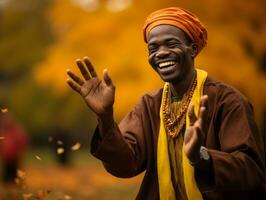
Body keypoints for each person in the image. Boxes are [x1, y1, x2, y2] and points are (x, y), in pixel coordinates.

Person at [66, 7, 265, 200]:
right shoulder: (149, 105)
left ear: (193, 49)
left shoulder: (228, 101)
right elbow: (125, 165)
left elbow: (251, 172)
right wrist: (105, 117)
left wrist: (202, 156)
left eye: (170, 44)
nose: (160, 53)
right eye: (153, 48)